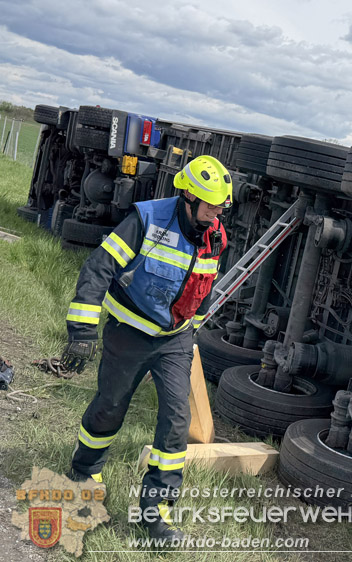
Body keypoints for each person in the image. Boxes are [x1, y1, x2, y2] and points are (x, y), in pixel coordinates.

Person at [60, 155, 231, 539]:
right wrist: (82, 331)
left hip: (175, 340)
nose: (215, 214)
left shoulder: (216, 235)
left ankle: (157, 514)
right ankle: (86, 467)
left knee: (175, 420)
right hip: (129, 331)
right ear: (187, 197)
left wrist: (192, 332)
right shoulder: (146, 220)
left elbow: (204, 290)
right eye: (209, 206)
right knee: (110, 407)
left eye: (220, 207)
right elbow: (98, 268)